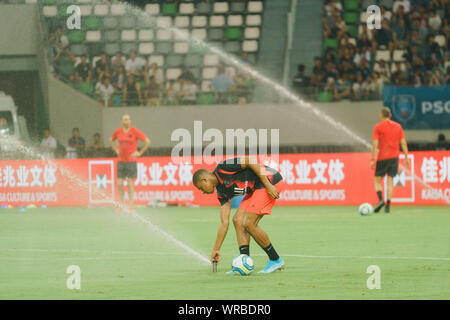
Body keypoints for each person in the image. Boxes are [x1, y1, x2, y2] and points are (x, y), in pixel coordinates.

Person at [192, 156, 285, 274]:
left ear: (204, 180)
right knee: (237, 219)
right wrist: (216, 249)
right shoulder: (221, 192)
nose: (203, 192)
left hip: (270, 182)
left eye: (201, 188)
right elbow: (224, 223)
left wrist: (268, 185)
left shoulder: (223, 167)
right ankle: (244, 260)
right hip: (255, 189)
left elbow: (251, 160)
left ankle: (275, 260)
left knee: (249, 222)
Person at [371, 107, 409, 213]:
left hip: (382, 157)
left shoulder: (378, 127)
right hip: (394, 158)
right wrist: (406, 157)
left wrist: (373, 159)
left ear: (381, 116)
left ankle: (380, 200)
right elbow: (403, 143)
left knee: (377, 181)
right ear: (390, 116)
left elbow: (375, 144)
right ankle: (388, 206)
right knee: (390, 181)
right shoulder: (398, 126)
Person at [110, 114, 150, 214]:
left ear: (130, 121)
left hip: (131, 161)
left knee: (129, 183)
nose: (126, 121)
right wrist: (116, 150)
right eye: (124, 120)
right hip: (121, 161)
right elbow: (111, 140)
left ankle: (131, 205)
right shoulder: (118, 131)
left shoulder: (134, 131)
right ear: (121, 121)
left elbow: (147, 141)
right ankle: (121, 204)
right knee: (119, 183)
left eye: (128, 119)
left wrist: (140, 152)